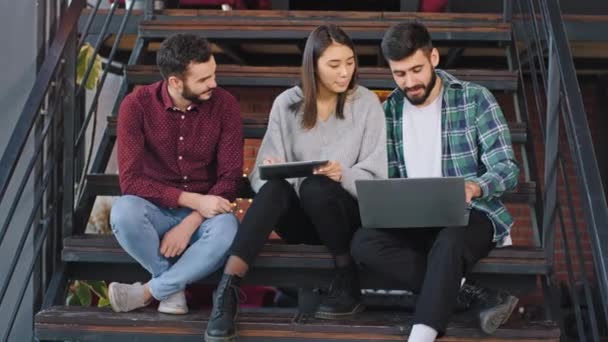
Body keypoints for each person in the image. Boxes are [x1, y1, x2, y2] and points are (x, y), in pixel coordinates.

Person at [204, 24, 388, 342]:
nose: (345, 72)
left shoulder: (367, 103)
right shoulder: (286, 103)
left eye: (349, 61)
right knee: (277, 187)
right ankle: (228, 290)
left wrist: (341, 173)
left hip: (347, 217)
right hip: (302, 221)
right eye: (334, 65)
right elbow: (262, 176)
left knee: (318, 187)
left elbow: (376, 177)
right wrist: (274, 170)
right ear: (312, 64)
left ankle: (347, 279)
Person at [350, 22, 520, 341]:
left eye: (416, 69)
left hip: (472, 216)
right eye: (400, 74)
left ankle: (422, 335)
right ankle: (469, 293)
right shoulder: (388, 112)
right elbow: (382, 176)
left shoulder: (474, 99)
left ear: (434, 58)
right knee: (363, 242)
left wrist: (476, 186)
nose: (410, 82)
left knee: (450, 241)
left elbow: (508, 168)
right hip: (414, 221)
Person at [108, 34, 243, 315]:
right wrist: (193, 200)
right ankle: (173, 286)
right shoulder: (136, 106)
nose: (213, 84)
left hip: (206, 216)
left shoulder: (225, 104)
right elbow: (131, 181)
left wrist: (191, 221)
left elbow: (230, 177)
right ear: (174, 82)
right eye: (204, 79)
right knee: (123, 212)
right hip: (155, 210)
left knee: (228, 230)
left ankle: (149, 292)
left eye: (213, 74)